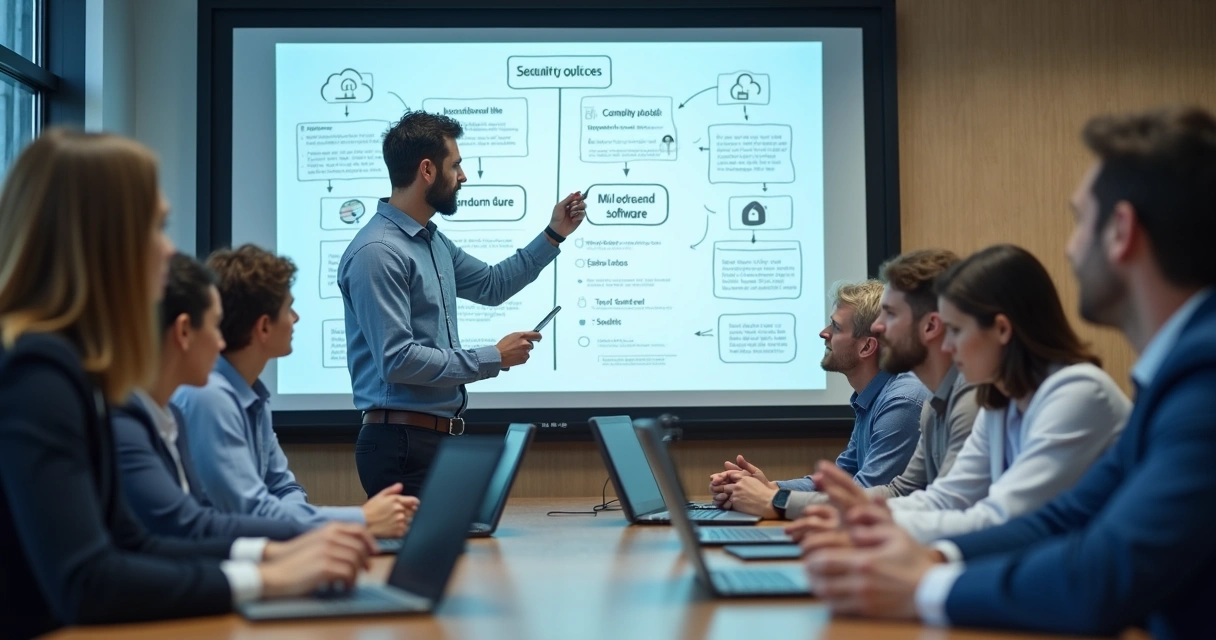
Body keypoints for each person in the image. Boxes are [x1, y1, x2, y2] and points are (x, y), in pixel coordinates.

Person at [803, 105, 1216, 639]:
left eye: (1079, 222)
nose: (1069, 248)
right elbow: (1060, 520)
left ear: (1121, 231)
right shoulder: (1175, 372)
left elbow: (1104, 570)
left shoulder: (1202, 377)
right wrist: (921, 554)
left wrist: (923, 584)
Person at [0, 130, 375, 639]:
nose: (169, 248)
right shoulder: (36, 374)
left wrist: (276, 554)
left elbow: (134, 542)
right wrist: (266, 576)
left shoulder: (72, 368)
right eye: (157, 226)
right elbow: (87, 582)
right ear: (102, 241)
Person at [797, 245, 1130, 543]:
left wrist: (859, 521)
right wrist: (852, 517)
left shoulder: (1078, 394)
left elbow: (1001, 518)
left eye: (956, 330)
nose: (948, 345)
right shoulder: (998, 402)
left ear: (1001, 330)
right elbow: (946, 498)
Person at [338, 111, 587, 497]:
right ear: (427, 170)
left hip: (435, 440)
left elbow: (492, 285)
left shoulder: (431, 241)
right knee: (418, 559)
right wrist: (493, 357)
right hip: (400, 445)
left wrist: (554, 234)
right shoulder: (379, 251)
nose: (463, 176)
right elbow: (397, 359)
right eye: (455, 165)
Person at [173, 245, 416, 537]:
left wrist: (305, 527)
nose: (296, 318)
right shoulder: (209, 396)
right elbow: (251, 512)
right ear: (264, 327)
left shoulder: (253, 396)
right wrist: (362, 519)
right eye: (288, 308)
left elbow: (284, 488)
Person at [113, 253, 311, 540]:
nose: (221, 342)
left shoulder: (178, 413)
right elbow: (210, 524)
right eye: (213, 325)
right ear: (183, 331)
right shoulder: (201, 398)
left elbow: (283, 490)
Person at [782, 250, 979, 520]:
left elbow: (946, 506)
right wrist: (774, 493)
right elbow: (900, 491)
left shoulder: (931, 398)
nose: (879, 329)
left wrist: (779, 501)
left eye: (891, 315)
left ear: (931, 326)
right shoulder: (934, 402)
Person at [710, 280, 929, 519]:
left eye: (836, 327)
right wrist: (768, 488)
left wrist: (773, 500)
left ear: (866, 346)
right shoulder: (872, 395)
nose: (824, 332)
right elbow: (842, 479)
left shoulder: (904, 401)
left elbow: (858, 496)